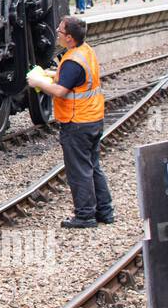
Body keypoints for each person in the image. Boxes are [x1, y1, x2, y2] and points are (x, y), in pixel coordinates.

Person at [26, 15, 114, 228]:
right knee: (93, 166)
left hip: (77, 122)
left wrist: (38, 81)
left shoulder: (73, 61)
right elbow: (72, 79)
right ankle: (105, 211)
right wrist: (52, 73)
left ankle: (85, 216)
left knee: (79, 171)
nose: (57, 33)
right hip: (93, 118)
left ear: (69, 38)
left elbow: (61, 91)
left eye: (60, 31)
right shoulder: (85, 52)